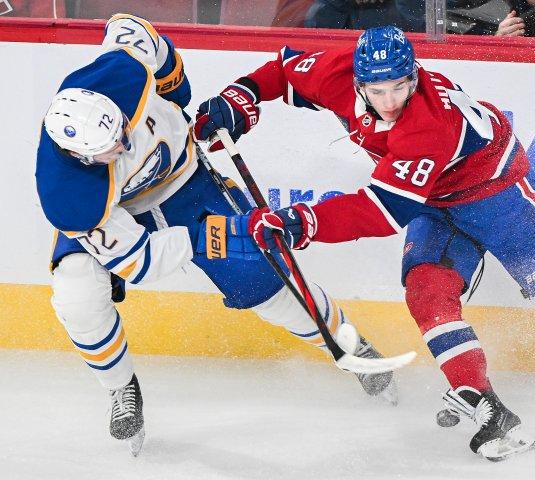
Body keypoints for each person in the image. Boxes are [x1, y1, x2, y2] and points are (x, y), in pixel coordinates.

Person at [193, 25, 535, 461]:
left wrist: (301, 221)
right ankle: (487, 406)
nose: (390, 101)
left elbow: (382, 210)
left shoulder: (427, 124)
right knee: (426, 290)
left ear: (413, 76)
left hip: (495, 191)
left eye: (400, 87)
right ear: (357, 82)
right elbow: (282, 71)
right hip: (433, 199)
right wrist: (237, 100)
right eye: (377, 91)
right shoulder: (338, 72)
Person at [35, 14, 396, 457]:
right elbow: (141, 262)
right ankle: (120, 386)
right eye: (111, 150)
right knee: (76, 294)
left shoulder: (122, 71)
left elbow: (138, 33)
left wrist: (181, 94)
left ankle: (349, 344)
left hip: (188, 184)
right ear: (81, 157)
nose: (125, 147)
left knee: (266, 280)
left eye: (123, 132)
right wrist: (209, 237)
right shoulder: (71, 198)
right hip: (121, 216)